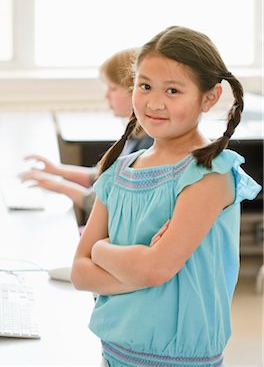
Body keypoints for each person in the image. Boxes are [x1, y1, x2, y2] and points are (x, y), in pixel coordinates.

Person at [71, 26, 261, 367]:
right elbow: (80, 274)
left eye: (173, 90)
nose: (154, 102)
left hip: (180, 360)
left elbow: (155, 270)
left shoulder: (209, 173)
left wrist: (100, 249)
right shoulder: (119, 170)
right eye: (145, 86)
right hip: (115, 352)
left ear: (209, 97)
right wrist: (139, 267)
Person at [21, 48, 153, 223]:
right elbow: (103, 177)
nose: (106, 95)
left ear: (135, 90)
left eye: (112, 88)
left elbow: (108, 205)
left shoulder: (148, 147)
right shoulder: (135, 135)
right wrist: (57, 170)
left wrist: (58, 186)